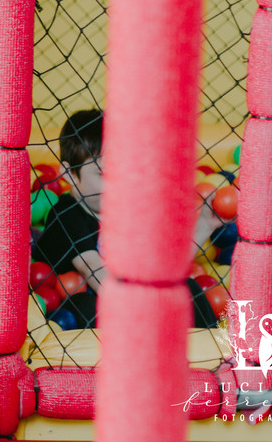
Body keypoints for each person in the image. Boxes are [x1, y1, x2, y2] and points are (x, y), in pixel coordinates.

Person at [34, 109, 220, 329]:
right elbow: (92, 269)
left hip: (131, 298)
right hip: (69, 303)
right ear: (70, 175)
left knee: (188, 287)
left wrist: (204, 226)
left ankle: (211, 352)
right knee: (84, 304)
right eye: (103, 174)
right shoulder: (67, 214)